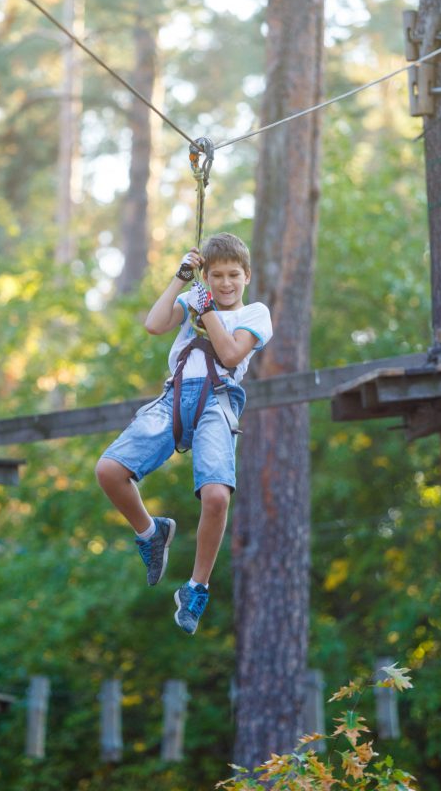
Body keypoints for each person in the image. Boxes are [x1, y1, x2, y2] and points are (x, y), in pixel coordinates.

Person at [95, 233, 272, 634]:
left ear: (247, 275)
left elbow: (229, 354)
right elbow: (154, 325)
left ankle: (196, 587)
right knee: (108, 470)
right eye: (216, 276)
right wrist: (181, 280)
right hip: (175, 396)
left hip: (218, 400)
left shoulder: (256, 313)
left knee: (215, 495)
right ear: (206, 276)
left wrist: (205, 306)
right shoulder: (196, 296)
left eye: (233, 276)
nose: (225, 284)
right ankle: (151, 532)